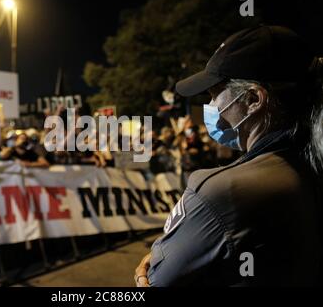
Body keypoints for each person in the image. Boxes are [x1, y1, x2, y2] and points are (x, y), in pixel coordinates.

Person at [135, 26, 323, 286]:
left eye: (214, 94)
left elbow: (155, 281)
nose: (211, 107)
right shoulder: (311, 165)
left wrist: (144, 271)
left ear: (253, 99)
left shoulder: (218, 191)